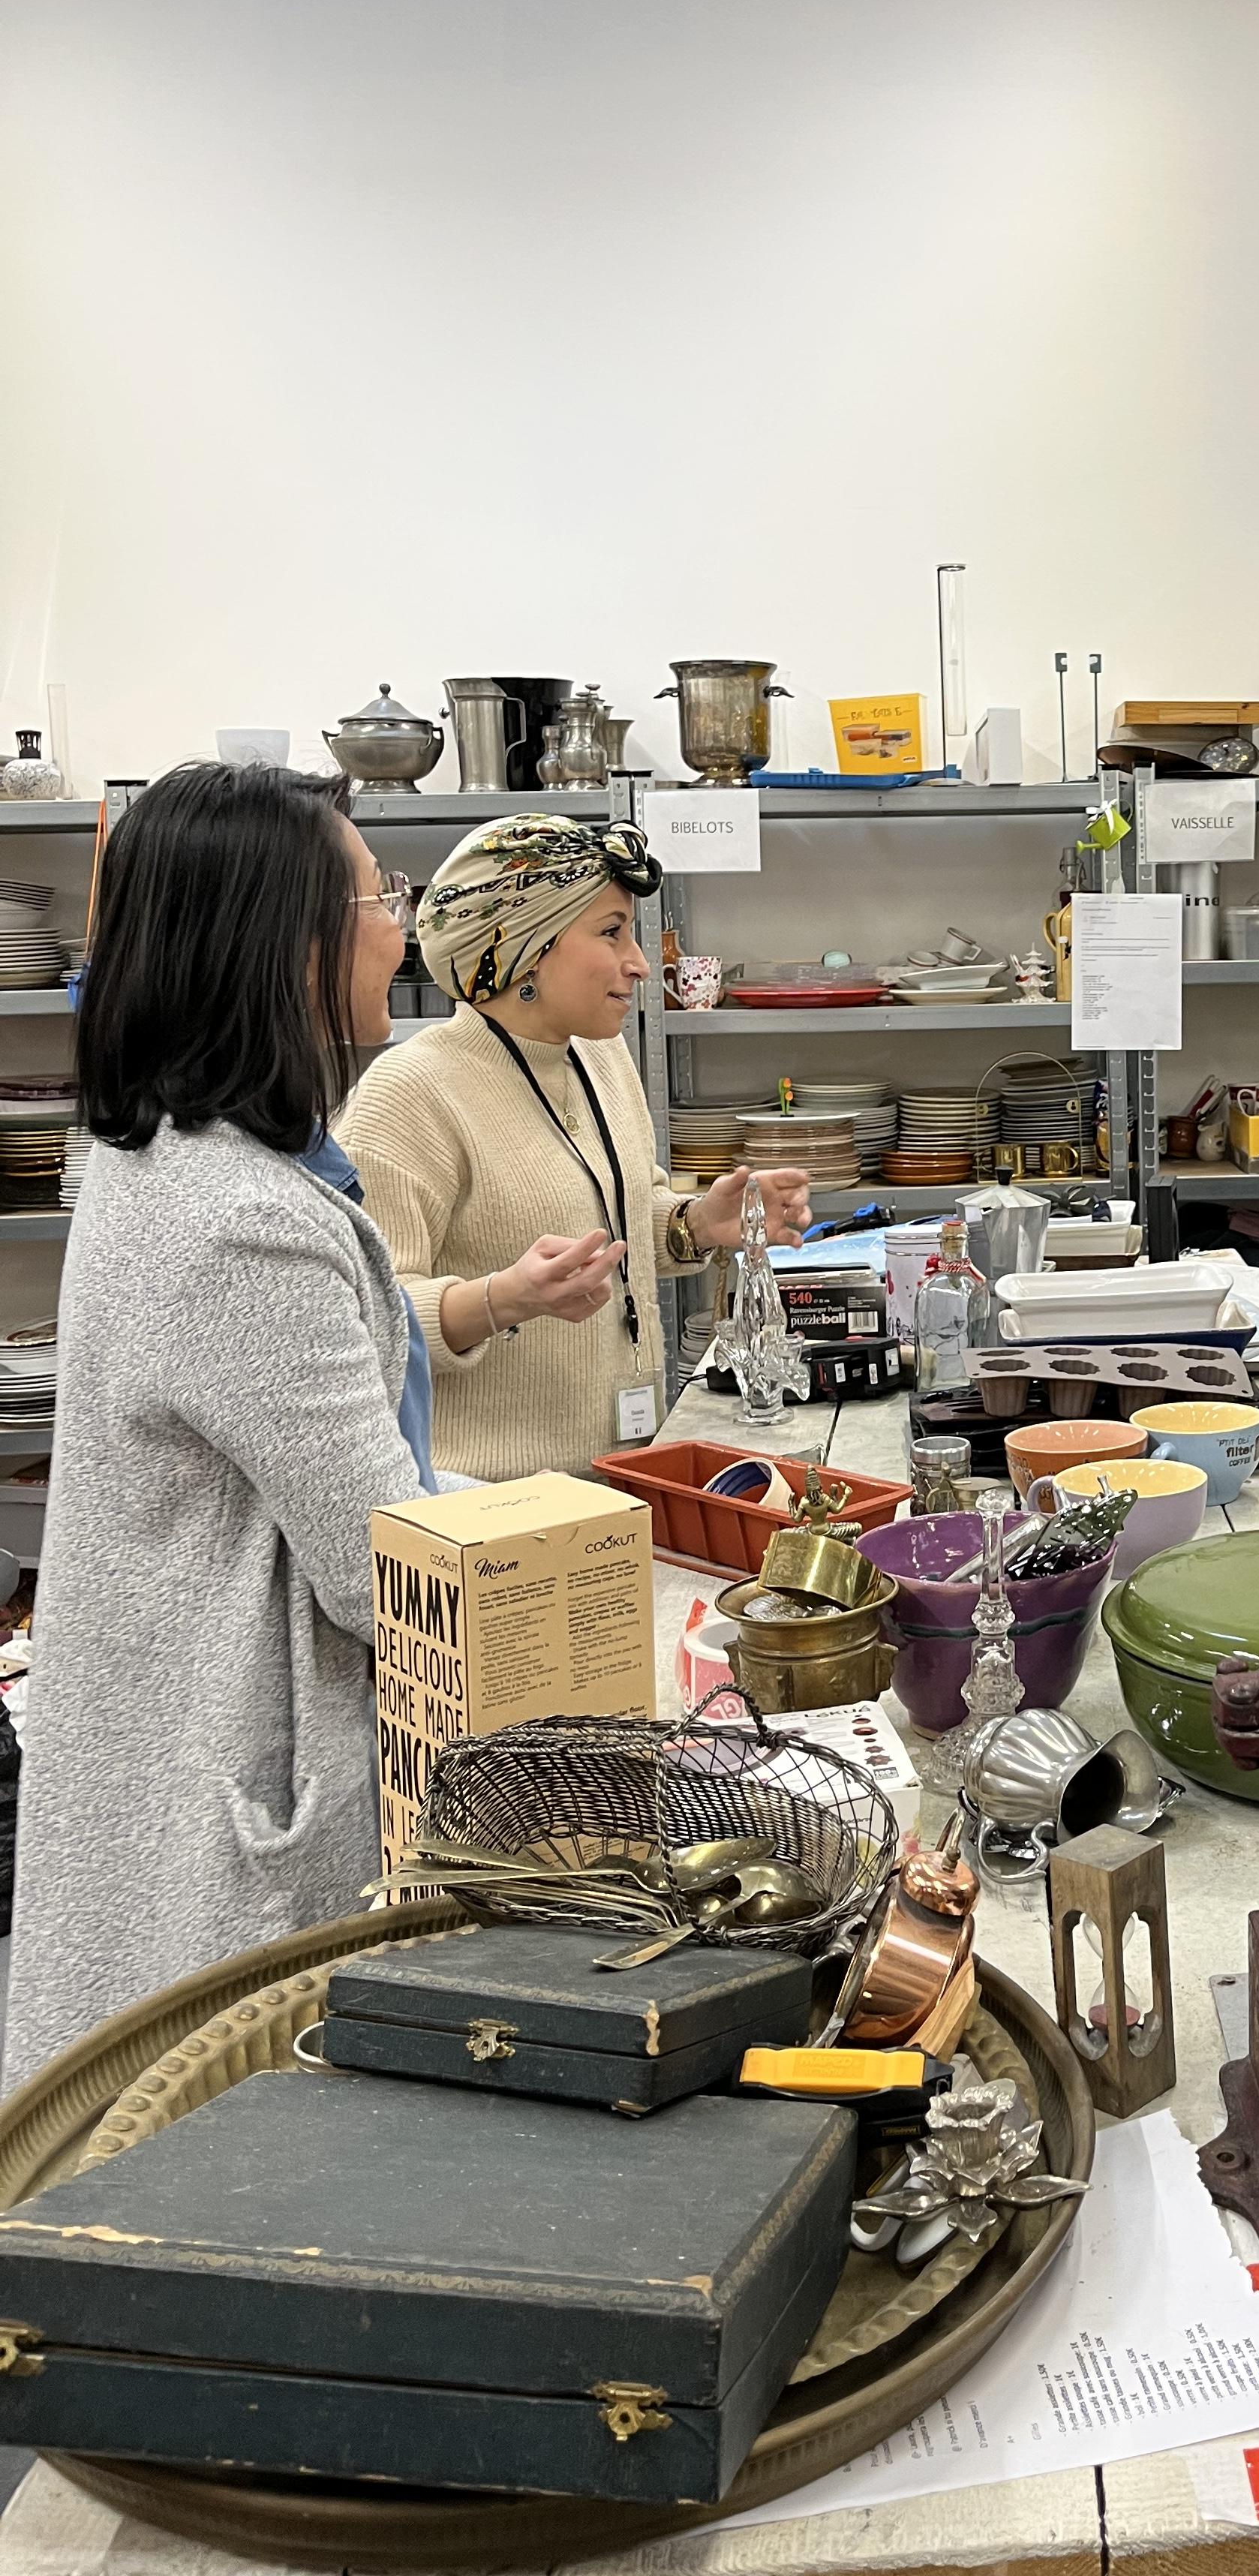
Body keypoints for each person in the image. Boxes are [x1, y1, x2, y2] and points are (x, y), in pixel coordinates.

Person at [4, 765, 432, 2082]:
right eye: (374, 895)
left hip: (169, 1757)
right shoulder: (240, 1217)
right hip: (225, 1785)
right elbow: (378, 1567)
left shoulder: (177, 1162)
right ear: (279, 941)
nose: (397, 927)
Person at [338, 812, 810, 1483]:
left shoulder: (600, 1056)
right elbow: (367, 1317)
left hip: (623, 1474)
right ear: (527, 947)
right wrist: (501, 1299)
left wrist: (696, 1223)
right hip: (490, 1511)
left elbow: (613, 1229)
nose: (639, 964)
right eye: (611, 933)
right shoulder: (409, 1094)